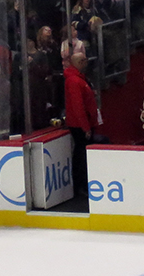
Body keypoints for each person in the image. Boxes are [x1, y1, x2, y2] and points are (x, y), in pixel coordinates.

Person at [64, 52, 99, 200]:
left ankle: (82, 185)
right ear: (79, 62)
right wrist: (86, 127)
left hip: (83, 124)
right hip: (80, 126)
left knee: (81, 154)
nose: (86, 63)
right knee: (81, 156)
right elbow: (78, 106)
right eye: (84, 60)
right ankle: (80, 186)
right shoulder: (74, 81)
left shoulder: (78, 79)